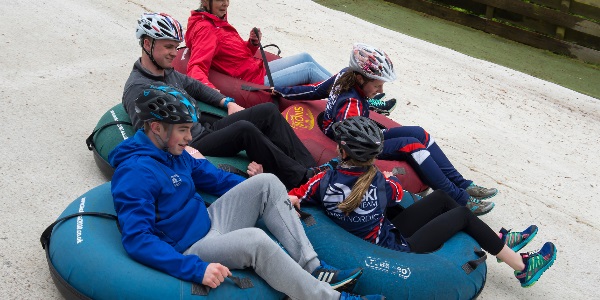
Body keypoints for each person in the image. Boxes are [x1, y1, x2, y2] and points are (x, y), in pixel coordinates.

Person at [109, 86, 385, 300]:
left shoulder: (172, 152)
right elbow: (137, 239)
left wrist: (272, 196)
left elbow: (213, 178)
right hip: (191, 247)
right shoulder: (135, 173)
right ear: (156, 128)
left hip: (210, 219)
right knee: (256, 239)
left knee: (268, 182)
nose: (189, 138)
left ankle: (314, 268)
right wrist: (195, 269)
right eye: (182, 130)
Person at [288, 116, 557, 288]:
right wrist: (389, 176)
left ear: (343, 150)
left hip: (378, 235)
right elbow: (396, 193)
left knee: (440, 199)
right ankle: (522, 267)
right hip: (396, 248)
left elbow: (299, 192)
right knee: (461, 215)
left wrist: (294, 196)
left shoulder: (323, 182)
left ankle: (501, 241)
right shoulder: (381, 183)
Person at [276, 43, 498, 215]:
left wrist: (281, 90)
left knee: (420, 132)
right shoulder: (351, 106)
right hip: (361, 142)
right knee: (412, 145)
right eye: (377, 85)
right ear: (361, 78)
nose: (380, 90)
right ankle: (459, 199)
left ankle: (464, 184)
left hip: (364, 131)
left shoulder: (345, 75)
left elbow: (315, 90)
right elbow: (352, 143)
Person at [123, 12, 337, 189]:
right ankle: (301, 178)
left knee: (267, 111)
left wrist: (227, 102)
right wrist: (187, 151)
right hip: (190, 142)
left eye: (175, 46)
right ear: (147, 43)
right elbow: (146, 133)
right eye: (168, 47)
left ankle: (311, 168)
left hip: (202, 128)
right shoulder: (139, 88)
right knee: (245, 129)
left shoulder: (166, 71)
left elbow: (196, 86)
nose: (173, 53)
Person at [185, 0, 332, 89]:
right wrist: (212, 93)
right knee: (309, 70)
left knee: (305, 57)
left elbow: (234, 55)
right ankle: (349, 92)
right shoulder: (206, 29)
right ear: (205, 2)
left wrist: (252, 43)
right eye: (220, 0)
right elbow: (196, 67)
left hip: (256, 68)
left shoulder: (216, 21)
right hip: (254, 80)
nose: (226, 4)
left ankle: (349, 85)